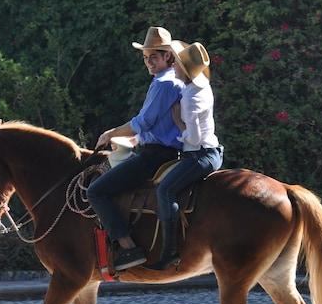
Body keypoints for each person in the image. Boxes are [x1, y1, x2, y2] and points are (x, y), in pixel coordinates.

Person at [87, 26, 184, 270]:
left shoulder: (164, 83)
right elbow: (154, 124)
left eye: (154, 56)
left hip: (156, 156)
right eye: (145, 57)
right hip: (155, 148)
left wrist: (110, 133)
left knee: (96, 191)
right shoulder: (167, 80)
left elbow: (143, 122)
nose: (149, 62)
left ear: (167, 56)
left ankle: (128, 248)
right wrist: (134, 139)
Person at [148, 41, 222, 270]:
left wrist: (178, 121)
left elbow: (194, 138)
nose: (174, 67)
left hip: (200, 155)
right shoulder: (201, 85)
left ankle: (170, 251)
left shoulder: (190, 98)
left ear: (184, 69)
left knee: (165, 190)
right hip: (209, 151)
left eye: (177, 64)